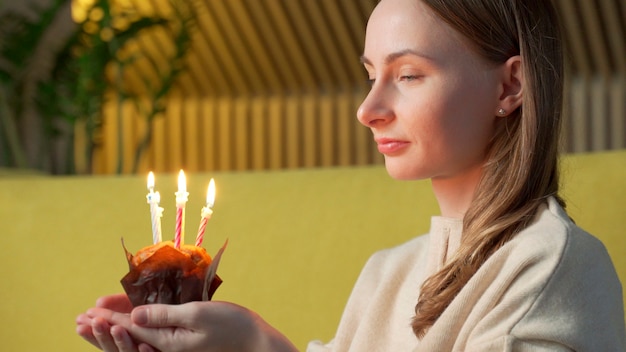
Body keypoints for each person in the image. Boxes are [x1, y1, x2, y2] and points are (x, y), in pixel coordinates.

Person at [76, 0, 626, 350]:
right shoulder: (386, 275)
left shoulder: (551, 269)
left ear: (510, 87)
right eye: (370, 75)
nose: (368, 109)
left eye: (408, 74)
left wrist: (259, 347)